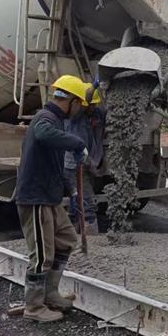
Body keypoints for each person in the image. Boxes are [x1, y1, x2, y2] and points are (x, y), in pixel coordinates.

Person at [15, 75, 89, 323]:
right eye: (79, 105)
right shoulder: (45, 118)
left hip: (50, 196)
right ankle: (34, 307)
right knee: (41, 255)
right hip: (35, 197)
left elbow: (54, 163)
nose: (79, 111)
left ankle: (50, 294)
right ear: (72, 101)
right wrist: (77, 143)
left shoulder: (56, 121)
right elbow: (42, 133)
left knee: (66, 239)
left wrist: (70, 190)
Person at [64, 84, 106, 236]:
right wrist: (93, 88)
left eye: (95, 104)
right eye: (90, 104)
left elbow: (107, 112)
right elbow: (85, 102)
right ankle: (90, 233)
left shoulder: (94, 115)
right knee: (86, 200)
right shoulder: (74, 117)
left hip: (87, 163)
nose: (93, 107)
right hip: (74, 165)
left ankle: (73, 231)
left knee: (77, 198)